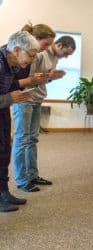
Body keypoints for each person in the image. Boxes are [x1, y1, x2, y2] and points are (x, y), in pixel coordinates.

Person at [12, 35, 76, 192]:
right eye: (66, 53)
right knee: (22, 139)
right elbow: (27, 77)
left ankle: (33, 175)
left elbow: (42, 79)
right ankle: (21, 180)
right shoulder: (40, 54)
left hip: (37, 99)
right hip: (25, 99)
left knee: (32, 139)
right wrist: (47, 77)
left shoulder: (54, 58)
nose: (66, 57)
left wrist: (52, 78)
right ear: (59, 45)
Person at [0, 30, 42, 212]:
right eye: (31, 56)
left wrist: (28, 82)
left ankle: (3, 192)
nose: (31, 60)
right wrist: (9, 99)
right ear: (17, 49)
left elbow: (10, 85)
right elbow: (6, 93)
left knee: (4, 150)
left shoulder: (13, 62)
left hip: (2, 111)